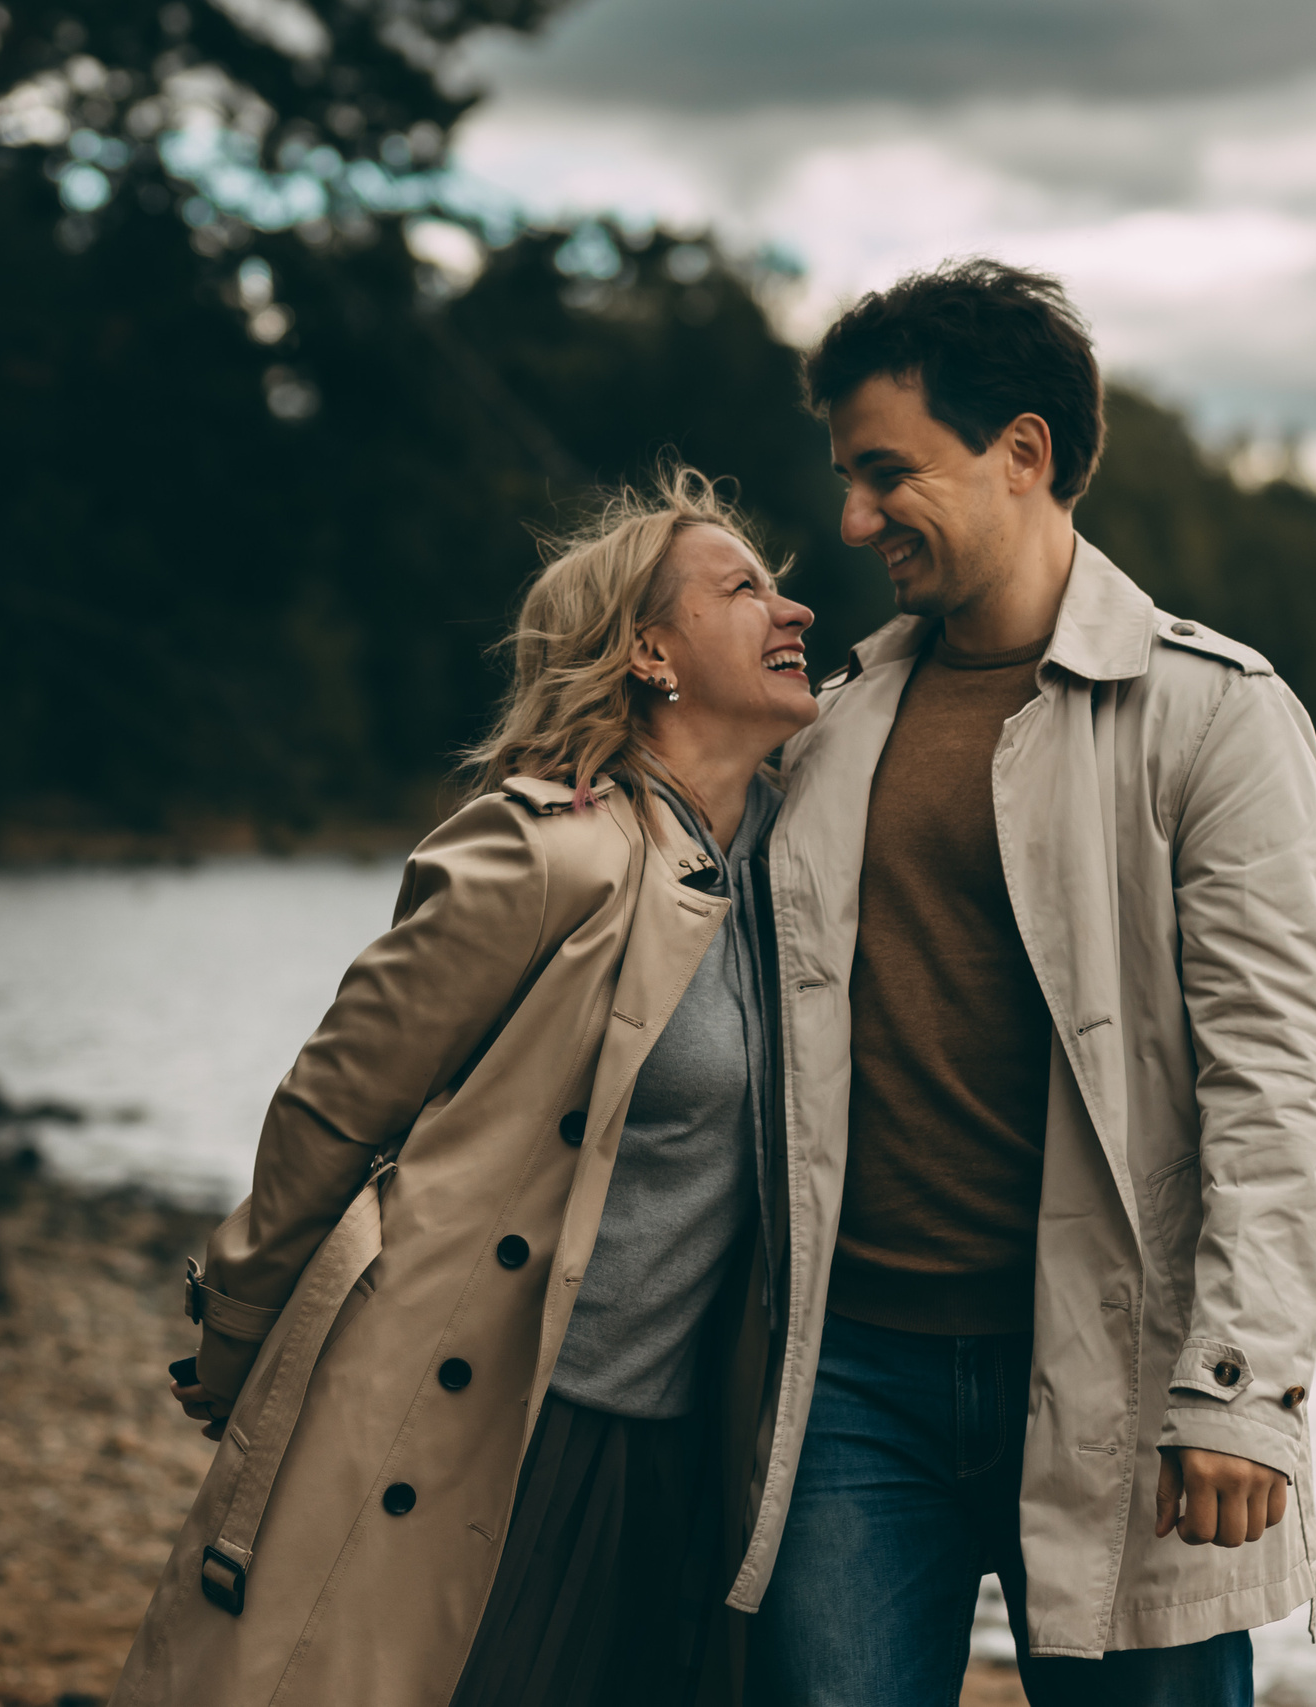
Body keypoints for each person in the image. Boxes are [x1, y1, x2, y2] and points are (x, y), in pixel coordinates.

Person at [746, 261, 1316, 1706]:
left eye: (888, 472)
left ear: (1022, 452)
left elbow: (1282, 1079)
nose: (852, 520)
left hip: (1119, 1373)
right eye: (847, 477)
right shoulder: (826, 735)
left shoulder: (1218, 715)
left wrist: (1241, 1387)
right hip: (848, 1381)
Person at [110, 468, 817, 1707]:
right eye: (745, 589)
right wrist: (235, 1331)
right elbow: (337, 1101)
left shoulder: (786, 876)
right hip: (492, 1422)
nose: (793, 611)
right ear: (649, 650)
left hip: (680, 1446)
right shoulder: (546, 849)